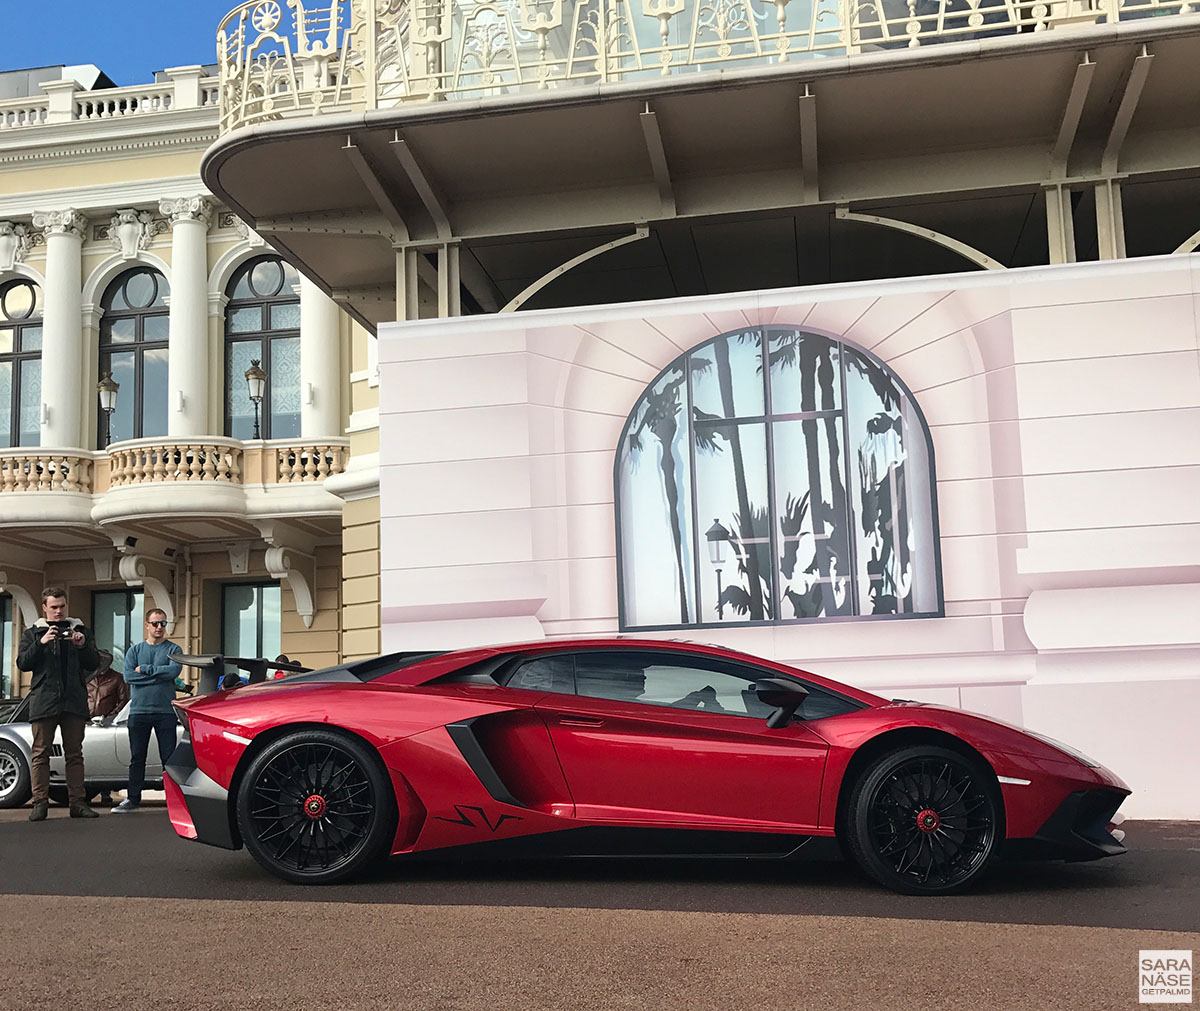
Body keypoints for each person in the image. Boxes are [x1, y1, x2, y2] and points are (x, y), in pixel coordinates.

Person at [16, 587, 101, 821]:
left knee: (75, 753)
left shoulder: (80, 630)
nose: (59, 611)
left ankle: (77, 802)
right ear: (44, 607)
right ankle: (40, 803)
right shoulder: (33, 633)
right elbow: (23, 663)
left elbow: (94, 663)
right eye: (53, 607)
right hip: (44, 700)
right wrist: (41, 642)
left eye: (62, 606)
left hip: (73, 700)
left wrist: (82, 645)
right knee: (40, 752)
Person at [112, 608, 182, 813]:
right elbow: (128, 677)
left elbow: (174, 672)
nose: (159, 627)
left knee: (168, 758)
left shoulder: (174, 649)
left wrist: (146, 669)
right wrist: (159, 675)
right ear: (147, 625)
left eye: (163, 624)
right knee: (137, 757)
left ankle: (174, 801)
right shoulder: (134, 651)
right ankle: (133, 799)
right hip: (139, 711)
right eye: (155, 623)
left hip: (165, 712)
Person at [87, 648, 129, 720]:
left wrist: (111, 715)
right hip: (86, 719)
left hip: (107, 722)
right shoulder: (87, 677)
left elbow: (123, 701)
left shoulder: (117, 678)